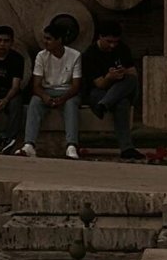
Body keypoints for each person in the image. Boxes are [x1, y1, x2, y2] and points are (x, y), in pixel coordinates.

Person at [79, 22, 142, 160]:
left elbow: (133, 74)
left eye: (115, 42)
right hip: (99, 92)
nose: (112, 45)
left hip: (121, 88)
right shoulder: (90, 54)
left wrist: (123, 72)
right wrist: (109, 77)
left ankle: (105, 104)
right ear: (100, 37)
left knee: (131, 80)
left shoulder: (122, 49)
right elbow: (99, 84)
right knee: (122, 103)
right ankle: (127, 148)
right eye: (109, 42)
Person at [20, 21, 83, 160]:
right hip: (47, 90)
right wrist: (44, 97)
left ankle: (71, 145)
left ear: (59, 40)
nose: (45, 42)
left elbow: (75, 86)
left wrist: (63, 98)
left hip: (67, 92)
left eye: (49, 39)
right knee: (35, 102)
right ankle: (29, 144)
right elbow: (36, 85)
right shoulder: (41, 56)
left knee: (71, 104)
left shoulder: (75, 55)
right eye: (44, 38)